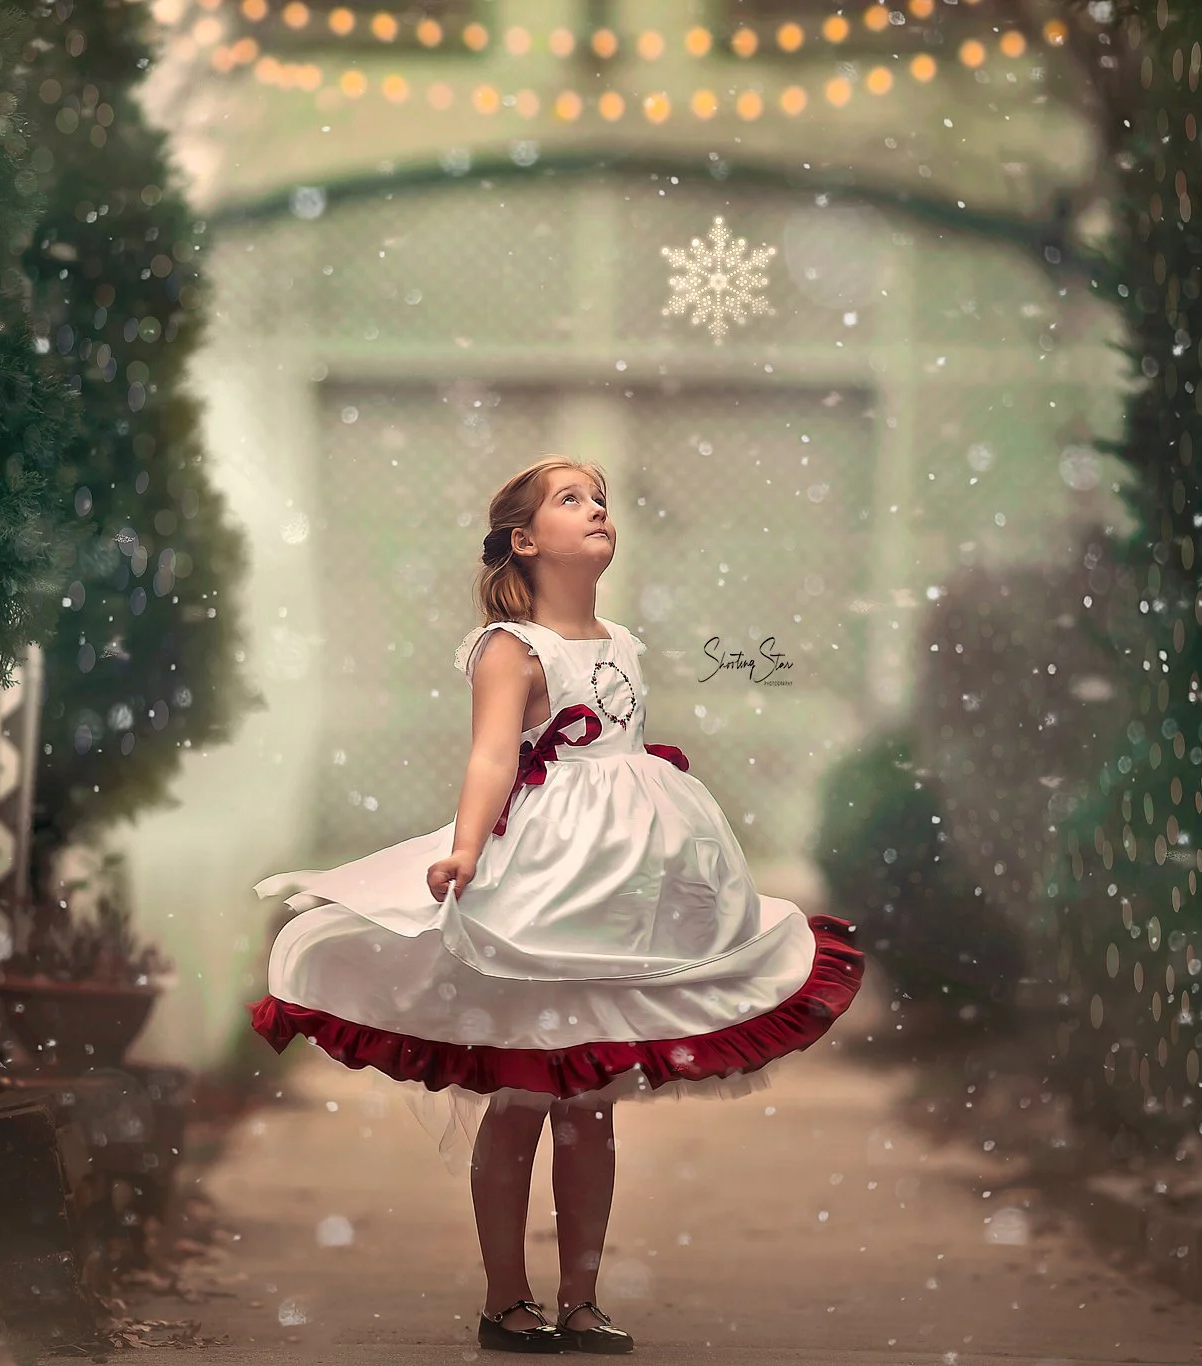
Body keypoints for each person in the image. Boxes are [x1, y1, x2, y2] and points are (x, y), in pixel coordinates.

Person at [248, 455, 864, 1354]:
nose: (597, 510)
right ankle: (507, 1297)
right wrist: (464, 846)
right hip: (542, 882)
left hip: (617, 895)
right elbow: (494, 757)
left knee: (590, 1102)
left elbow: (624, 753)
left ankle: (583, 1298)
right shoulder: (511, 648)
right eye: (572, 500)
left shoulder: (621, 642)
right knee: (522, 1095)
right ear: (527, 541)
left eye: (601, 500)